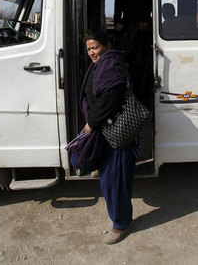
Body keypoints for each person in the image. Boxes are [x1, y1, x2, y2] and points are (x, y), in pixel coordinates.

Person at [80, 32, 135, 244]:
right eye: (88, 49)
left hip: (115, 130)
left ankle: (121, 224)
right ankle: (122, 218)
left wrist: (91, 123)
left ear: (107, 45)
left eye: (95, 47)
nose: (91, 52)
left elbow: (110, 98)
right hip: (104, 128)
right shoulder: (99, 64)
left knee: (115, 179)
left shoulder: (112, 65)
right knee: (113, 175)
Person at [114, 0, 152, 103]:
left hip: (142, 33)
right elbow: (117, 11)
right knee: (125, 64)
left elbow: (156, 9)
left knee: (141, 65)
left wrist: (148, 24)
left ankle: (141, 97)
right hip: (126, 32)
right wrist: (117, 24)